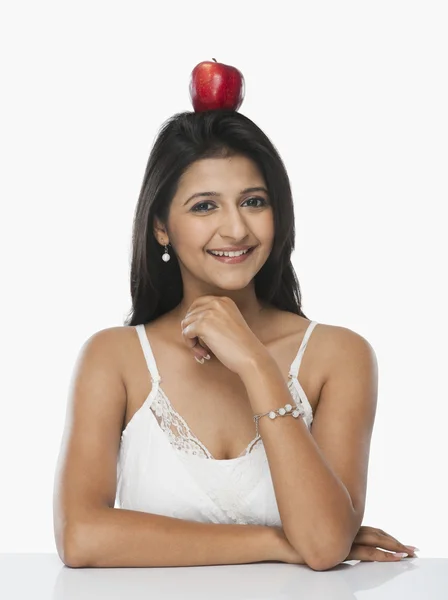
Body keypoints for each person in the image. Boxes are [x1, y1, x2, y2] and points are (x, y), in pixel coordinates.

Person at [53, 108, 418, 569]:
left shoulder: (340, 356)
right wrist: (281, 542)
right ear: (161, 226)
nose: (237, 229)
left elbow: (323, 547)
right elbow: (81, 538)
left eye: (254, 201)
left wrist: (254, 362)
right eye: (205, 205)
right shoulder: (113, 358)